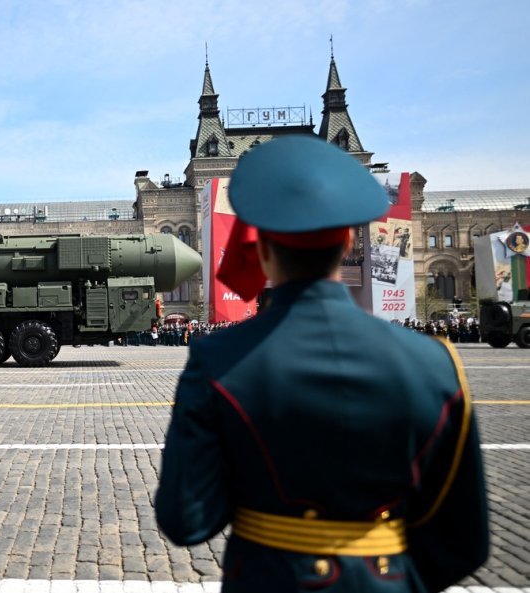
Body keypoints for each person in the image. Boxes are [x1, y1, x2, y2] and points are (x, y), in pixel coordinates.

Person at [155, 136, 488, 592]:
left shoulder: (218, 359)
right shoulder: (434, 362)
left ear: (264, 248)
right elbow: (464, 540)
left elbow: (185, 520)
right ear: (349, 239)